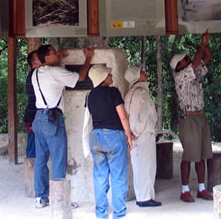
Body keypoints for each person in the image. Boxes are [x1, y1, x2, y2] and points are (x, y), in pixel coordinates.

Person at [32, 44, 94, 209]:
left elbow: (51, 66)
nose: (56, 54)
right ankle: (60, 198)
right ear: (47, 58)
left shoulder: (36, 73)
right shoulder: (56, 72)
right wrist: (88, 58)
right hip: (53, 119)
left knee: (41, 160)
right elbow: (80, 78)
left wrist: (57, 56)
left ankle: (40, 196)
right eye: (53, 53)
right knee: (59, 159)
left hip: (38, 118)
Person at [170, 30, 213, 203]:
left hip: (200, 116)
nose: (188, 61)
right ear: (179, 66)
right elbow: (196, 64)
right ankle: (184, 189)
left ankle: (202, 188)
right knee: (189, 155)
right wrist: (201, 46)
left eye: (188, 58)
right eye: (185, 59)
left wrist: (205, 46)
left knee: (201, 154)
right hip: (188, 119)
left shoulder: (193, 74)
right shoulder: (181, 77)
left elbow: (206, 59)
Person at [86, 65, 134, 219]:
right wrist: (128, 135)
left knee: (100, 175)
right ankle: (119, 213)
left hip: (96, 136)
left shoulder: (90, 95)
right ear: (102, 77)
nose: (111, 76)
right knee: (118, 175)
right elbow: (123, 116)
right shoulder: (113, 92)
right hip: (113, 136)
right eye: (108, 74)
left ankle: (101, 213)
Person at [123, 64, 161, 207]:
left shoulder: (129, 94)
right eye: (142, 72)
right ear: (137, 76)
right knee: (148, 165)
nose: (145, 73)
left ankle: (141, 196)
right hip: (143, 133)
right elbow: (144, 114)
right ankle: (146, 198)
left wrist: (131, 133)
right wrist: (138, 131)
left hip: (133, 134)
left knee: (138, 166)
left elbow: (126, 115)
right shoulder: (142, 92)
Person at [24, 50, 42, 160]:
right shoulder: (35, 76)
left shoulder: (36, 75)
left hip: (34, 115)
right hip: (32, 116)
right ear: (34, 63)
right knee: (32, 150)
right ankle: (30, 175)